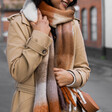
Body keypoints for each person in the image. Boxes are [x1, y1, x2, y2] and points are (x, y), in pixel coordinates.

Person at [6, 0, 90, 112]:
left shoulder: (73, 24)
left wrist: (71, 77)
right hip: (29, 106)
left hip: (66, 105)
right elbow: (18, 73)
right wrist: (40, 36)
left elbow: (84, 69)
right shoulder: (20, 22)